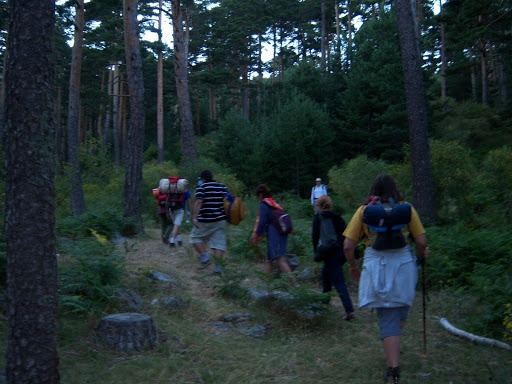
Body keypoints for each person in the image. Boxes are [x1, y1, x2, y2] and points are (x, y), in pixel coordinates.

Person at [342, 174, 429, 384]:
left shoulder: (364, 211)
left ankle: (394, 370)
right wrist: (419, 258)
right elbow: (422, 241)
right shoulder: (406, 208)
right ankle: (394, 348)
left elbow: (347, 246)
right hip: (404, 264)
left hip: (376, 265)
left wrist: (353, 266)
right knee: (400, 308)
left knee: (387, 316)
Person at [312, 195, 355, 321]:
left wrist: (316, 253)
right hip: (341, 253)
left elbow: (315, 237)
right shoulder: (337, 217)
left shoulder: (318, 217)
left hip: (329, 253)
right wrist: (354, 254)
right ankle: (325, 302)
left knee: (339, 281)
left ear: (319, 206)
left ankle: (349, 310)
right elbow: (348, 235)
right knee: (325, 273)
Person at [250, 184, 295, 283]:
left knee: (280, 259)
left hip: (275, 232)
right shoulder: (274, 202)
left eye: (258, 196)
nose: (258, 198)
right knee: (269, 259)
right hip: (281, 231)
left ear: (261, 194)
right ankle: (268, 284)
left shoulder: (264, 204)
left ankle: (295, 285)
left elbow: (262, 221)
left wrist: (256, 235)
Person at [189, 170, 228, 273]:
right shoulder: (222, 187)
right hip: (220, 219)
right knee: (219, 244)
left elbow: (198, 202)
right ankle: (218, 268)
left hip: (205, 220)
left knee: (195, 237)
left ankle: (205, 259)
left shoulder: (201, 188)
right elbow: (228, 201)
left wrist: (194, 217)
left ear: (203, 178)